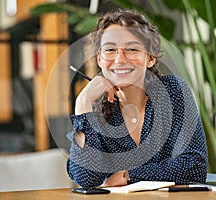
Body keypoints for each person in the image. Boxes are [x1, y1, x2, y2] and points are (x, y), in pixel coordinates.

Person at [67, 9, 208, 188]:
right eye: (110, 50)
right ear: (100, 59)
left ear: (150, 58)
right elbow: (86, 179)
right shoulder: (93, 109)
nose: (119, 59)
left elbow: (194, 167)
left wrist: (128, 175)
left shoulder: (172, 91)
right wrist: (83, 103)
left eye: (131, 49)